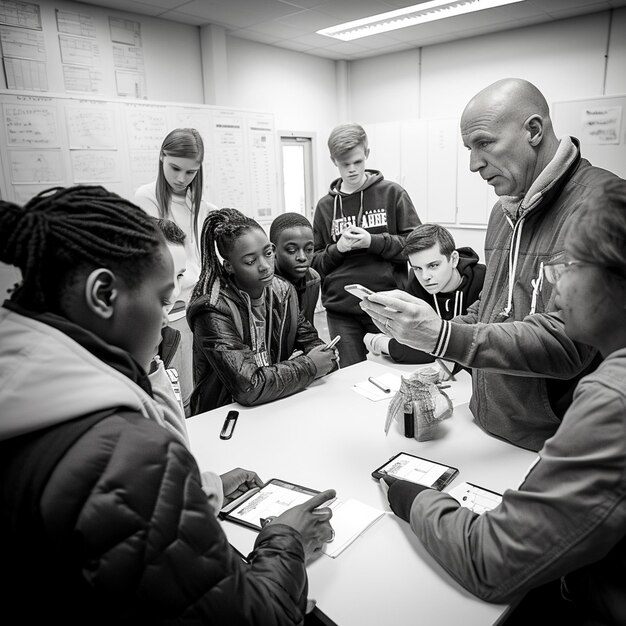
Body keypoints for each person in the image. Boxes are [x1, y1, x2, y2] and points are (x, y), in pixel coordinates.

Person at [0, 185, 335, 624]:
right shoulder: (126, 452)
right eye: (162, 300)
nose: (169, 320)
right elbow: (252, 617)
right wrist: (285, 539)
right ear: (103, 295)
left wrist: (195, 490)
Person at [380, 178, 626, 625]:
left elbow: (491, 562)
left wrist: (410, 497)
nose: (553, 286)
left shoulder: (614, 399)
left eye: (568, 267)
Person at [360, 78, 621, 452]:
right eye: (469, 148)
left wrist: (442, 337)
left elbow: (567, 344)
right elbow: (493, 309)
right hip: (491, 424)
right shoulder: (506, 210)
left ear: (533, 130)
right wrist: (428, 326)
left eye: (484, 143)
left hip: (556, 442)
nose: (472, 164)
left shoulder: (599, 206)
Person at [187, 208, 338, 414]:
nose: (265, 266)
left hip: (272, 404)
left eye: (268, 253)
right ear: (229, 266)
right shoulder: (212, 309)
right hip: (224, 414)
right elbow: (248, 387)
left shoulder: (283, 291)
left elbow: (309, 340)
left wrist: (325, 353)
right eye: (250, 261)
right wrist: (310, 366)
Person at [312, 122, 420, 368]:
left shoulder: (392, 193)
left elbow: (415, 248)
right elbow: (315, 263)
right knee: (351, 378)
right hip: (342, 311)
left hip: (387, 305)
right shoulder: (325, 207)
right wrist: (338, 248)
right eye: (344, 164)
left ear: (367, 154)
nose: (351, 169)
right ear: (333, 161)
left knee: (392, 376)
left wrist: (373, 241)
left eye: (357, 162)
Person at [134, 127, 217, 416]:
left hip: (199, 310)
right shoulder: (146, 198)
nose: (181, 179)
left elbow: (203, 263)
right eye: (174, 168)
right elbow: (154, 264)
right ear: (161, 157)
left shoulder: (204, 208)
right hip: (172, 314)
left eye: (191, 172)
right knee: (175, 395)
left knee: (200, 390)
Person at [363, 223, 485, 365]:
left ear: (454, 259)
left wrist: (380, 342)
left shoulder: (483, 280)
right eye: (417, 268)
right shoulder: (415, 281)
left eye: (433, 265)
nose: (425, 276)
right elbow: (412, 342)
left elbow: (479, 344)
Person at [269, 212, 321, 326]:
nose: (302, 257)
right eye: (292, 250)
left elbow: (308, 325)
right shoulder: (264, 284)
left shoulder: (313, 279)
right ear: (273, 250)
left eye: (309, 249)